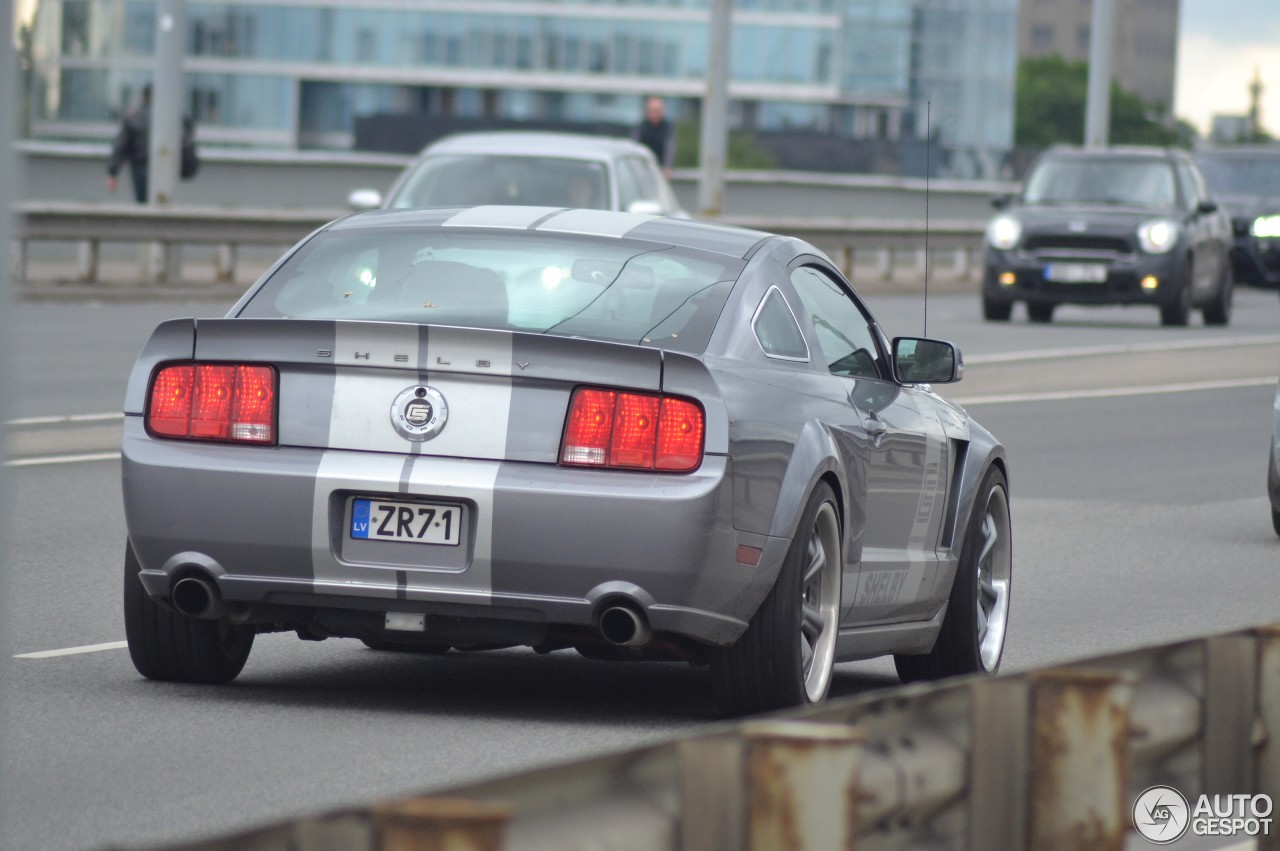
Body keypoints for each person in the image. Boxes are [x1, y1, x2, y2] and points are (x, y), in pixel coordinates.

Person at [106, 83, 197, 203]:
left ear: (144, 97)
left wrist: (113, 172)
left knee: (143, 203)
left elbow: (121, 146)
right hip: (168, 165)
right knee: (164, 202)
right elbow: (189, 131)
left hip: (141, 167)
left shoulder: (135, 117)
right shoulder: (173, 116)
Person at [635, 96, 676, 177]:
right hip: (643, 169)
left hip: (661, 170)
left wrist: (667, 166)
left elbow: (670, 148)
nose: (655, 114)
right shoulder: (641, 127)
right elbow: (636, 147)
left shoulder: (668, 128)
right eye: (653, 111)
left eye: (657, 111)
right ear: (647, 112)